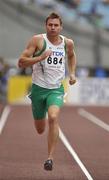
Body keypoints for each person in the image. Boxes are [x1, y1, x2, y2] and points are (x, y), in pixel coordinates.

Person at [18, 12, 76, 171]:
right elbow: (21, 62)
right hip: (38, 90)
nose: (53, 27)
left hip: (56, 89)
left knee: (53, 116)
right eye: (50, 25)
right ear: (46, 26)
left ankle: (50, 158)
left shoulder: (67, 43)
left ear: (61, 27)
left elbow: (71, 56)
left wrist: (72, 73)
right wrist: (40, 57)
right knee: (40, 129)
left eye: (56, 25)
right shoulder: (37, 41)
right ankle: (40, 114)